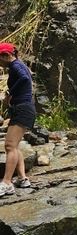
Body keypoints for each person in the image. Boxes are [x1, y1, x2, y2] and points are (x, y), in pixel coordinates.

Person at [0, 42, 36, 197]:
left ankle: (7, 183)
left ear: (6, 56)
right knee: (15, 146)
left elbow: (24, 80)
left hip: (23, 109)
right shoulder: (19, 65)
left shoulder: (15, 66)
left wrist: (9, 93)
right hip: (23, 108)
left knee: (9, 146)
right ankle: (22, 178)